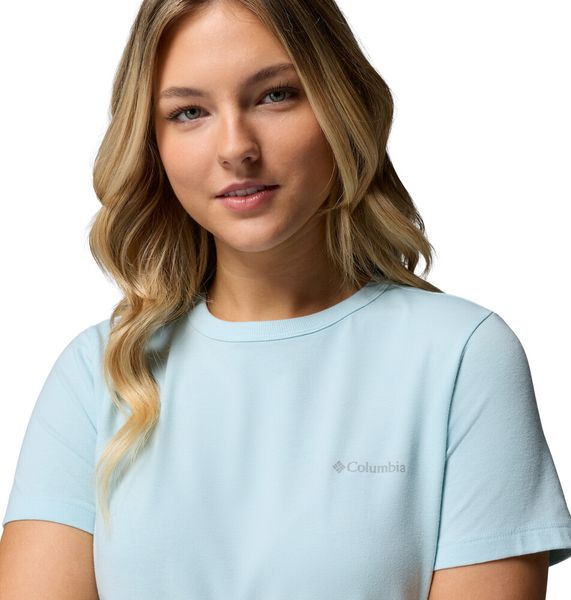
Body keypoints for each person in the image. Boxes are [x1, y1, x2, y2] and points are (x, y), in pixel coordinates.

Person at [1, 0, 570, 598]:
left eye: (275, 95)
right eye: (189, 112)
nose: (236, 148)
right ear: (152, 144)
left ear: (339, 105)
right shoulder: (100, 373)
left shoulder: (461, 357)